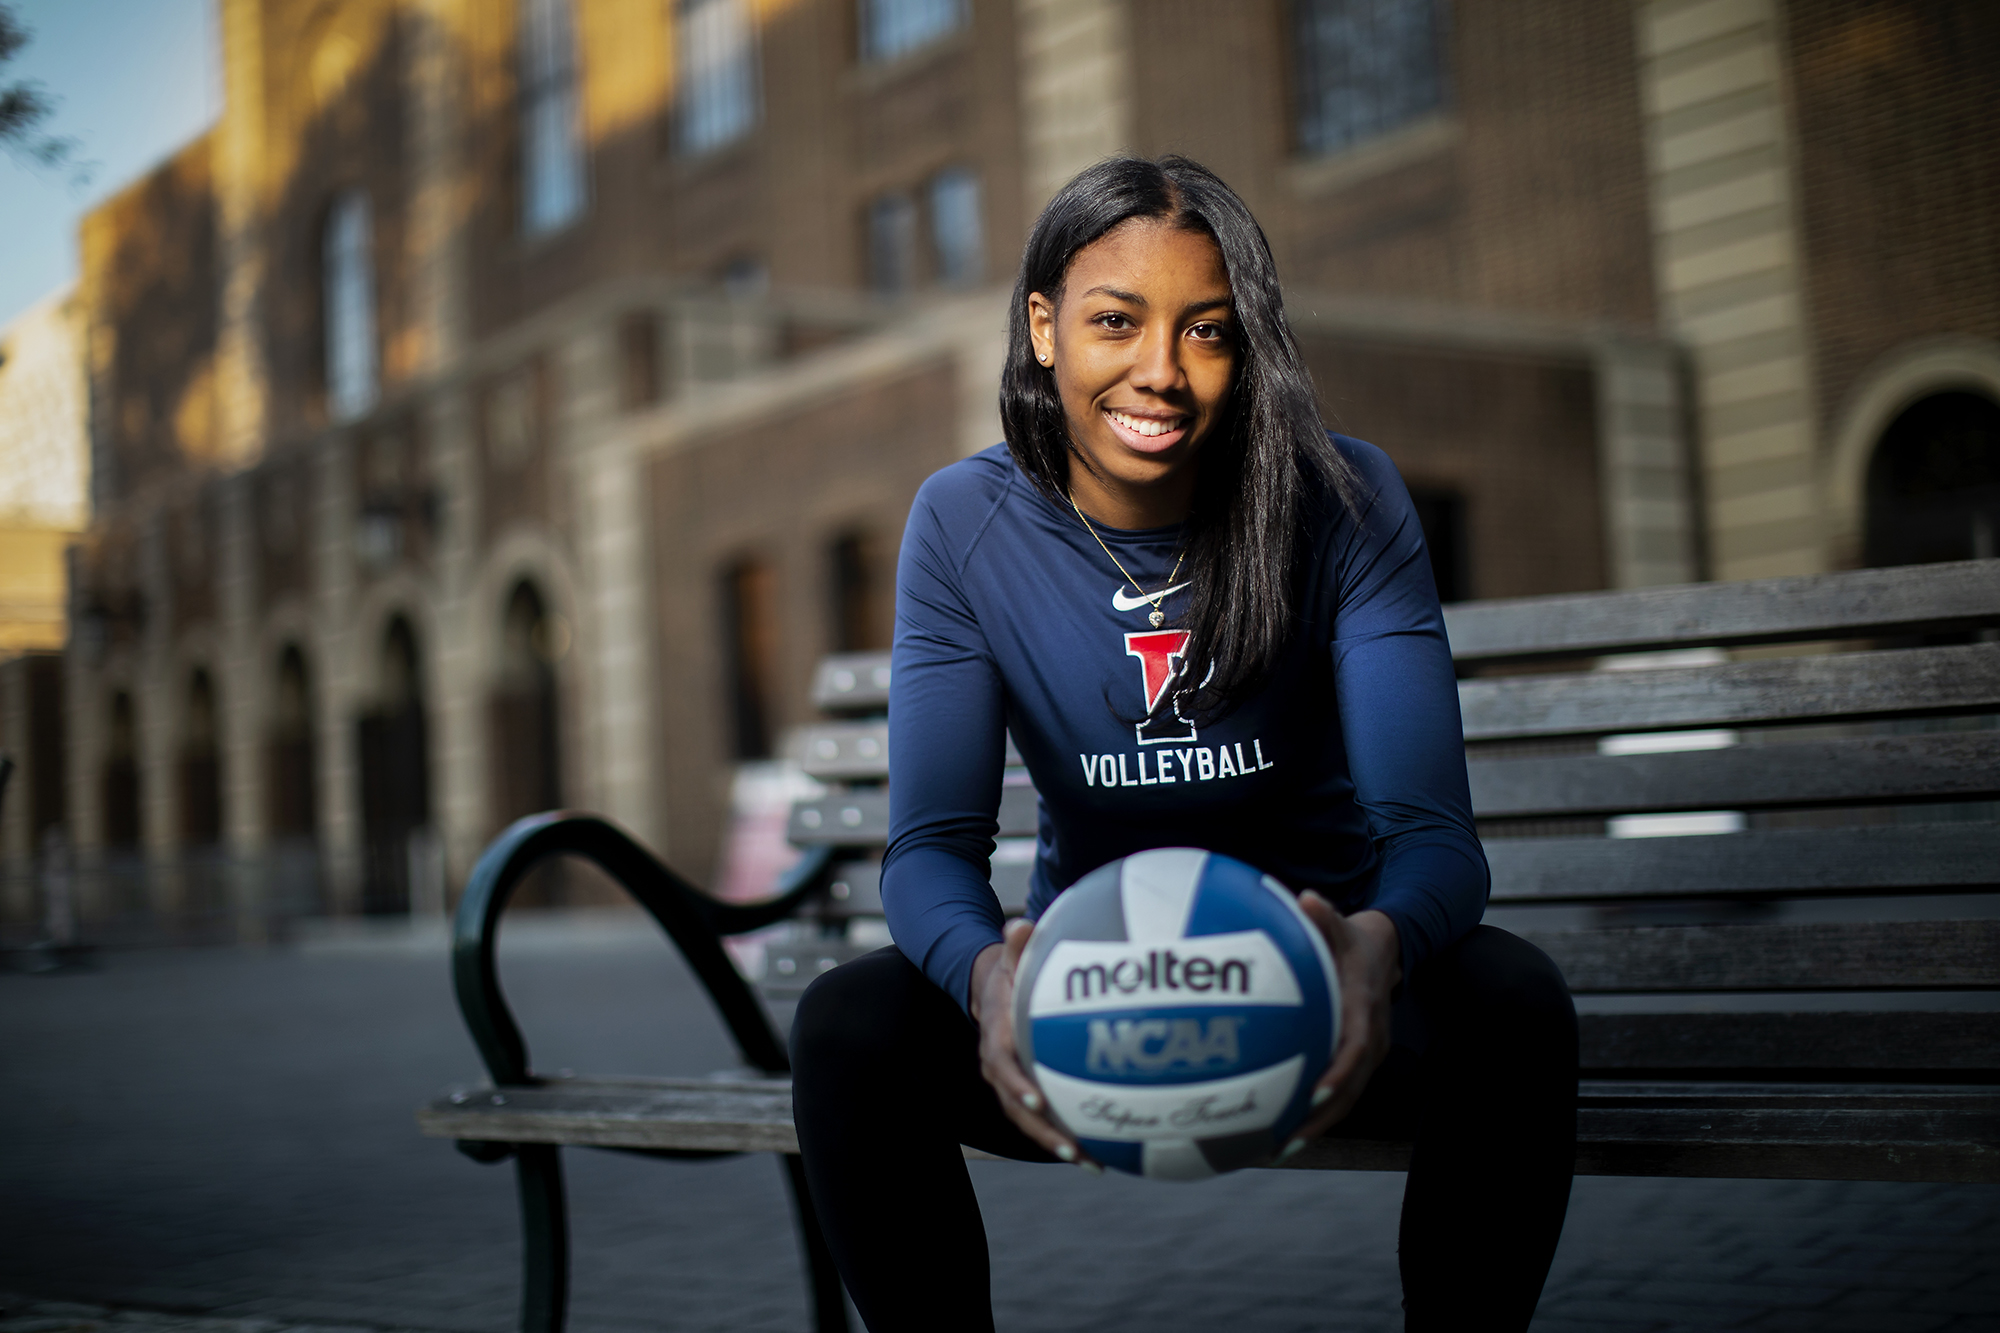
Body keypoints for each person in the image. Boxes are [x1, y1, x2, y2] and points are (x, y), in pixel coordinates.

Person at [791, 156, 1577, 1333]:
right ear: (1043, 327)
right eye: (1115, 321)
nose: (1159, 371)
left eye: (1205, 331)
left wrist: (1374, 948)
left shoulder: (1340, 495)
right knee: (849, 1022)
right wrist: (991, 977)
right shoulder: (965, 521)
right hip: (1086, 998)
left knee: (1512, 999)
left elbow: (1433, 840)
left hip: (1328, 1001)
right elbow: (928, 851)